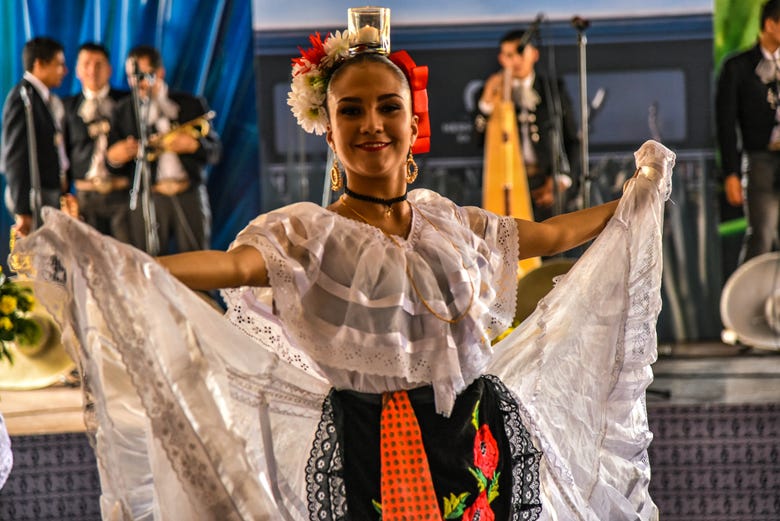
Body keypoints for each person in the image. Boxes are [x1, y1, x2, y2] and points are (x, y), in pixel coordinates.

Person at [12, 25, 674, 521]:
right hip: (382, 445)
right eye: (350, 110)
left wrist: (638, 195)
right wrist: (111, 261)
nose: (371, 123)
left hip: (477, 438)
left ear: (414, 122)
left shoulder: (449, 221)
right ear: (326, 131)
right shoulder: (305, 233)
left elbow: (551, 234)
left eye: (387, 106)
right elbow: (229, 265)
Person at [105, 44, 221, 254]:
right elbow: (111, 162)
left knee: (198, 260)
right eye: (133, 76)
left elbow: (215, 152)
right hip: (149, 196)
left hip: (189, 193)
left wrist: (194, 145)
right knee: (149, 263)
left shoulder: (190, 104)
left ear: (160, 72)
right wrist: (117, 156)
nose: (138, 82)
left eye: (144, 75)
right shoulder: (123, 111)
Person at [475, 29, 580, 221]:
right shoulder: (490, 93)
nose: (515, 60)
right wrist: (486, 103)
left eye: (520, 52)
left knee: (550, 241)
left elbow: (572, 139)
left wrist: (562, 180)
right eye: (508, 55)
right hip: (506, 182)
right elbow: (477, 139)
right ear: (501, 59)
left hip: (546, 182)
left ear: (534, 54)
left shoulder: (553, 89)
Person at [716, 0, 780, 264]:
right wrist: (730, 172)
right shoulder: (738, 67)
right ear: (770, 25)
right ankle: (750, 303)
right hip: (760, 160)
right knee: (761, 237)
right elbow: (726, 123)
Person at [62, 43, 132, 242]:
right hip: (85, 197)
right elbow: (62, 154)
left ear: (109, 69)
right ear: (77, 69)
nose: (92, 70)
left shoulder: (127, 102)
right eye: (86, 64)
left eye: (99, 64)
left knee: (128, 260)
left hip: (123, 196)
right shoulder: (66, 107)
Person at [0, 36, 70, 238]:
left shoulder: (42, 98)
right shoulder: (22, 98)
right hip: (33, 198)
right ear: (39, 64)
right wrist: (22, 210)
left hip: (48, 194)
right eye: (59, 65)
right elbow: (15, 157)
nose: (64, 71)